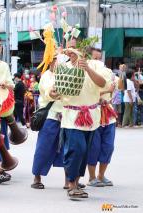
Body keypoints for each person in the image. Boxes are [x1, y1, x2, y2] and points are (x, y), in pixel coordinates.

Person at [61, 48, 106, 199]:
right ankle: (71, 184)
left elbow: (103, 83)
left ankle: (76, 183)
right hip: (72, 117)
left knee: (84, 152)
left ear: (83, 54)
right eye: (69, 53)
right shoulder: (64, 67)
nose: (71, 55)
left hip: (90, 118)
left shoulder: (94, 66)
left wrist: (87, 68)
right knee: (77, 149)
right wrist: (54, 93)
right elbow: (57, 90)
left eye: (74, 52)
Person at [31, 56, 66, 189]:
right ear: (50, 61)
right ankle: (37, 177)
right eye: (56, 59)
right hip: (51, 116)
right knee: (43, 148)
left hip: (67, 117)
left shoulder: (67, 73)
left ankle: (69, 180)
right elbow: (48, 92)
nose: (59, 62)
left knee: (67, 149)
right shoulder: (46, 75)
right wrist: (53, 92)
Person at [87, 63, 120, 188]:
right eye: (94, 58)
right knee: (94, 148)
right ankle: (91, 177)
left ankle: (101, 175)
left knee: (108, 147)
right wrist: (107, 90)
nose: (97, 60)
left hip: (109, 115)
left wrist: (121, 74)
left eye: (98, 58)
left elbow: (121, 86)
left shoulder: (110, 74)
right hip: (94, 114)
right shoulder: (89, 74)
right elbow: (90, 94)